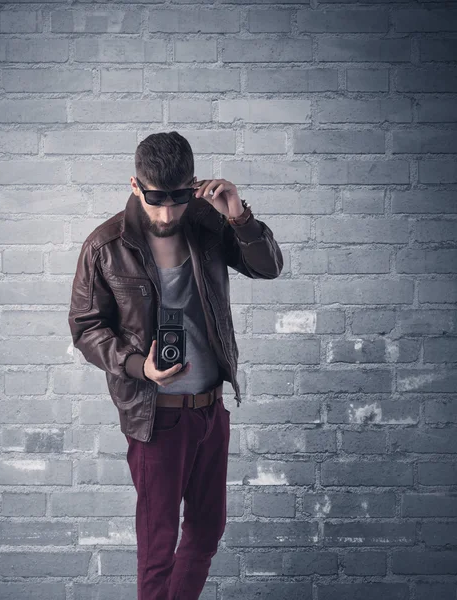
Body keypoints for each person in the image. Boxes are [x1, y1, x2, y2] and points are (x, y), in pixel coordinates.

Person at [68, 131, 283, 599]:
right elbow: (86, 329)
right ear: (135, 185)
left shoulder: (208, 224)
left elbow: (267, 268)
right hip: (156, 416)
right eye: (155, 200)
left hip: (211, 407)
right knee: (158, 548)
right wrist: (137, 366)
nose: (167, 214)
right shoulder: (105, 246)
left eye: (179, 198)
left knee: (207, 532)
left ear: (194, 186)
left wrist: (239, 216)